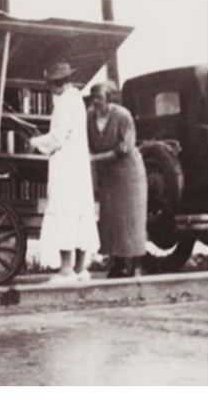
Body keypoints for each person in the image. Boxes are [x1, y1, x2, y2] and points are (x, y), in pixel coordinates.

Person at [29, 61, 98, 283]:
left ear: (55, 84)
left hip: (67, 167)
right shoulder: (77, 99)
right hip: (78, 167)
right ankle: (80, 268)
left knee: (64, 213)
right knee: (80, 214)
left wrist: (35, 141)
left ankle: (66, 270)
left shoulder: (64, 103)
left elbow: (57, 138)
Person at [87, 81, 148, 277]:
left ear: (110, 99)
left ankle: (136, 264)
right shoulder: (89, 117)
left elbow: (124, 148)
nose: (96, 102)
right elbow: (87, 141)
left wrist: (93, 158)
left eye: (100, 98)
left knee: (130, 219)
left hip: (128, 173)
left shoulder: (122, 116)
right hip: (108, 175)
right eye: (93, 98)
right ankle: (117, 263)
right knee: (110, 218)